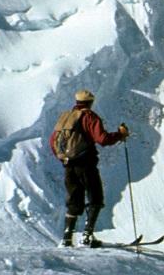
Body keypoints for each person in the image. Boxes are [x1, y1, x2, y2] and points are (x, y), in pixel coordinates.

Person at [50, 90, 129, 247]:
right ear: (91, 102)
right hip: (86, 164)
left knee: (74, 201)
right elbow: (103, 139)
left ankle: (66, 238)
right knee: (95, 198)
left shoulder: (65, 118)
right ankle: (87, 236)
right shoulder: (90, 117)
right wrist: (120, 134)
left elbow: (53, 141)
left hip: (68, 165)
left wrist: (64, 159)